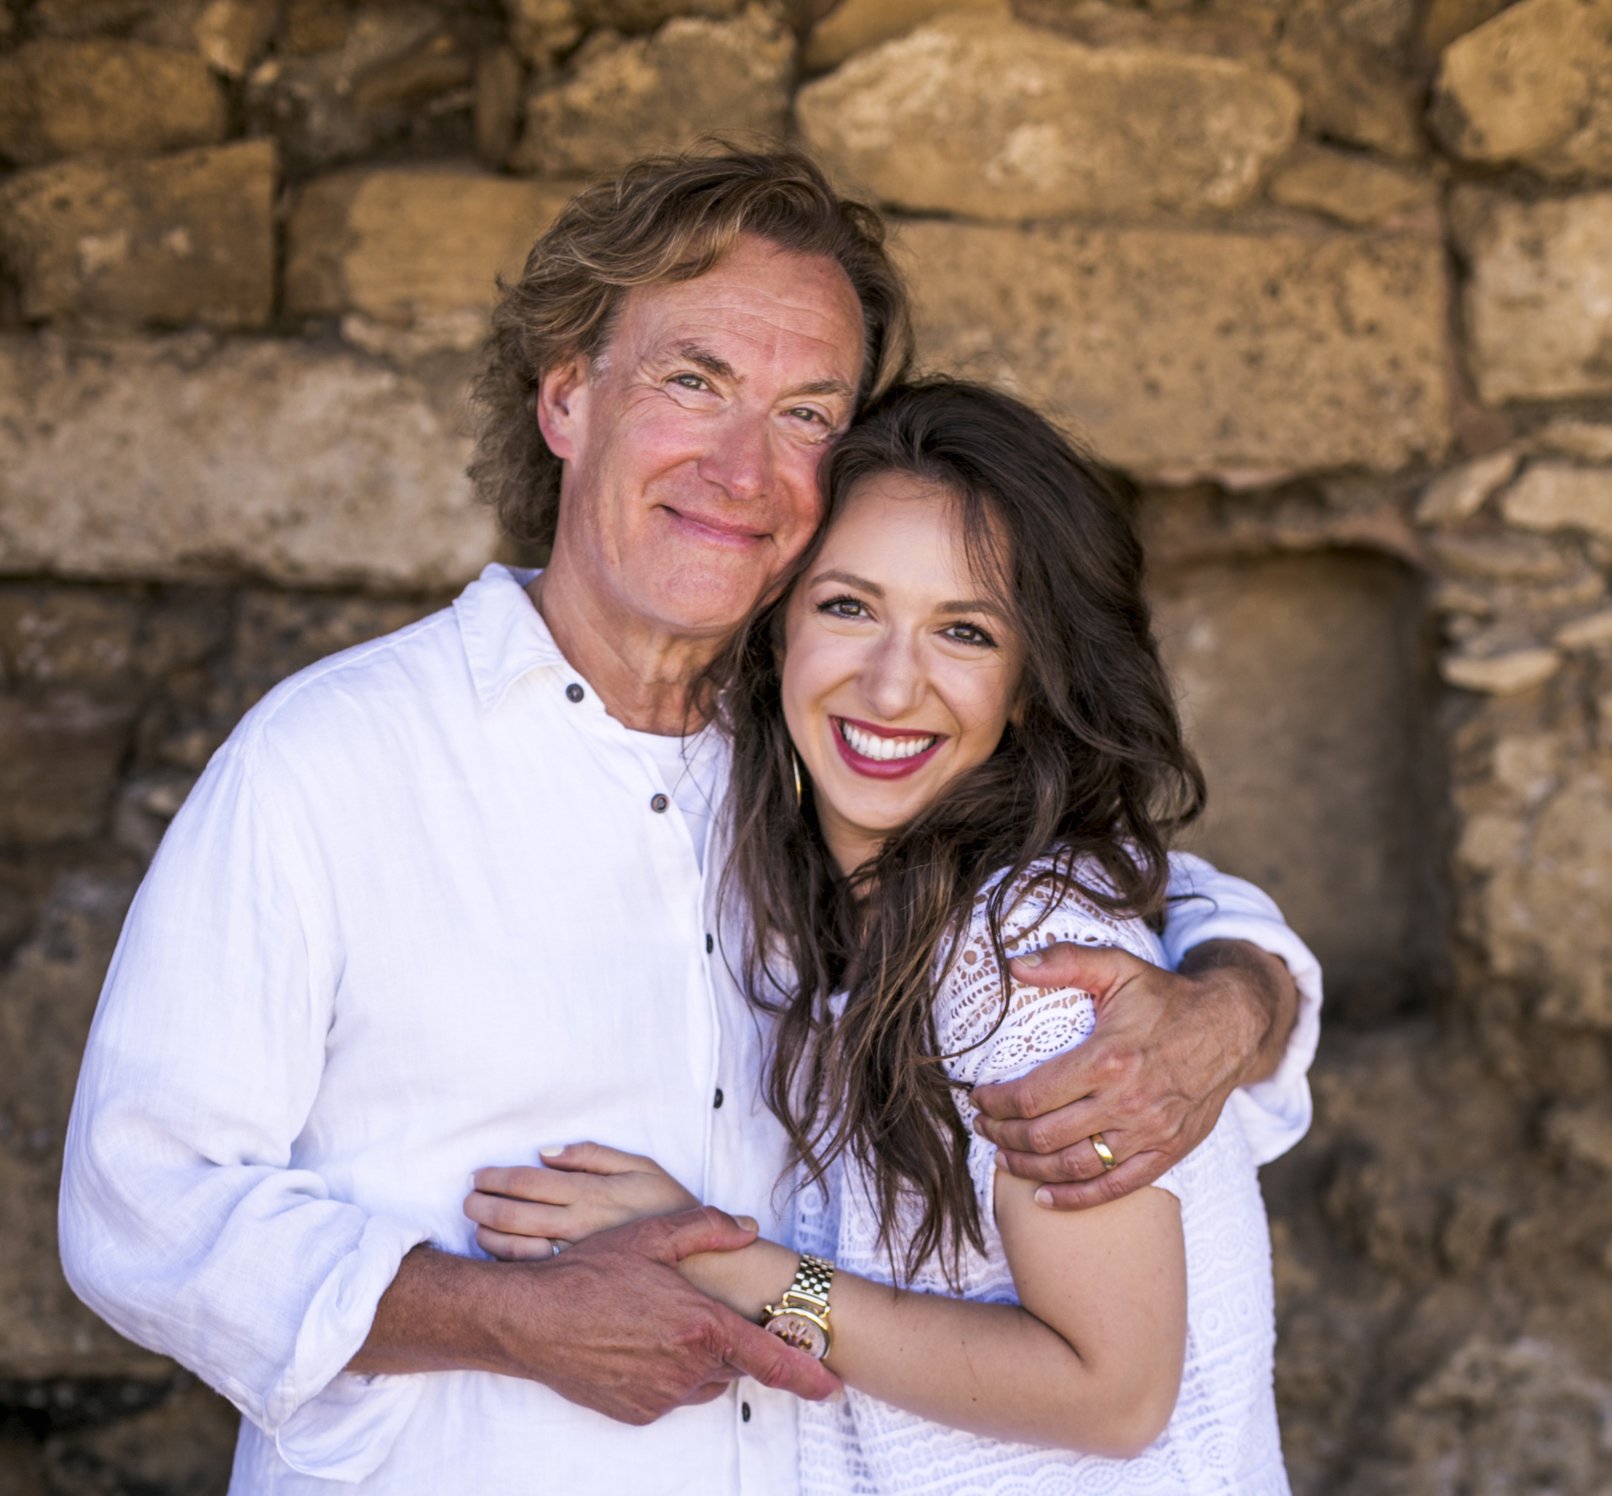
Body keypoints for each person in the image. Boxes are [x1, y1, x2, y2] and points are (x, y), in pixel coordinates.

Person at [59, 148, 1318, 1493]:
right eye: (694, 381)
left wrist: (1233, 998)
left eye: (804, 412)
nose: (740, 466)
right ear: (565, 396)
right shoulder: (333, 760)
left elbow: (1095, 899)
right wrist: (506, 1318)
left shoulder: (823, 752)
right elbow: (143, 1201)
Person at [467, 379, 1289, 1493]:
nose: (892, 685)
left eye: (965, 631)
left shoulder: (1025, 961)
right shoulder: (845, 903)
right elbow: (1207, 905)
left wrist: (718, 1257)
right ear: (779, 629)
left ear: (1031, 684)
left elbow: (1112, 1392)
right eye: (849, 607)